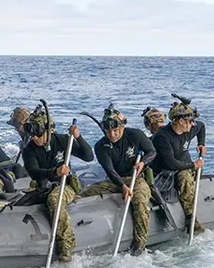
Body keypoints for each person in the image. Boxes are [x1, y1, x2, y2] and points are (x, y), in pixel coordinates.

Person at [79, 105, 157, 255]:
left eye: (116, 130)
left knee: (140, 201)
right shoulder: (101, 146)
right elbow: (109, 170)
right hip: (115, 180)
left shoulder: (136, 135)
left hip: (136, 177)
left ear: (122, 126)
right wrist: (122, 185)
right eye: (109, 131)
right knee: (85, 192)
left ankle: (140, 242)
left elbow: (152, 151)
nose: (113, 134)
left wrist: (143, 162)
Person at [22, 111, 94, 262]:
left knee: (55, 200)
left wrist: (78, 137)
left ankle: (66, 245)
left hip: (64, 185)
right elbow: (34, 172)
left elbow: (88, 156)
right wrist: (54, 171)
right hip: (41, 185)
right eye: (32, 135)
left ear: (49, 130)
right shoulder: (29, 149)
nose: (35, 138)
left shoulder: (62, 141)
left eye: (39, 135)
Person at [152, 101, 207, 233]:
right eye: (189, 121)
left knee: (186, 174)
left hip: (183, 164)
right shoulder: (162, 137)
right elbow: (170, 163)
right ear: (180, 121)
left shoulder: (190, 129)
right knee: (184, 177)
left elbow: (201, 127)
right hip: (165, 172)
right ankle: (190, 217)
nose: (192, 124)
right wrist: (193, 164)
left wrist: (201, 143)